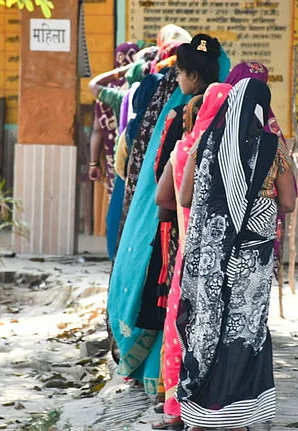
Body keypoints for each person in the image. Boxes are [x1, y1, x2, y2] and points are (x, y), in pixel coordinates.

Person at [107, 34, 230, 397]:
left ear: (191, 76)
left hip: (176, 224)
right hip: (218, 229)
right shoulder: (229, 112)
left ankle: (166, 378)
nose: (175, 80)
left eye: (178, 74)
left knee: (170, 297)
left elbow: (160, 177)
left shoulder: (180, 115)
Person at [175, 77, 296, 431]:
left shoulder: (205, 143)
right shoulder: (272, 148)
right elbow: (288, 201)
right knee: (243, 329)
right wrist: (258, 202)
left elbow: (184, 199)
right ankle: (237, 417)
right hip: (252, 259)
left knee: (207, 325)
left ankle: (200, 416)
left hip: (209, 257)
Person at [86, 42, 139, 249]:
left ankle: (115, 249)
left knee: (116, 207)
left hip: (113, 159)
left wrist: (93, 164)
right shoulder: (141, 89)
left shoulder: (109, 93)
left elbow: (97, 131)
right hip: (137, 158)